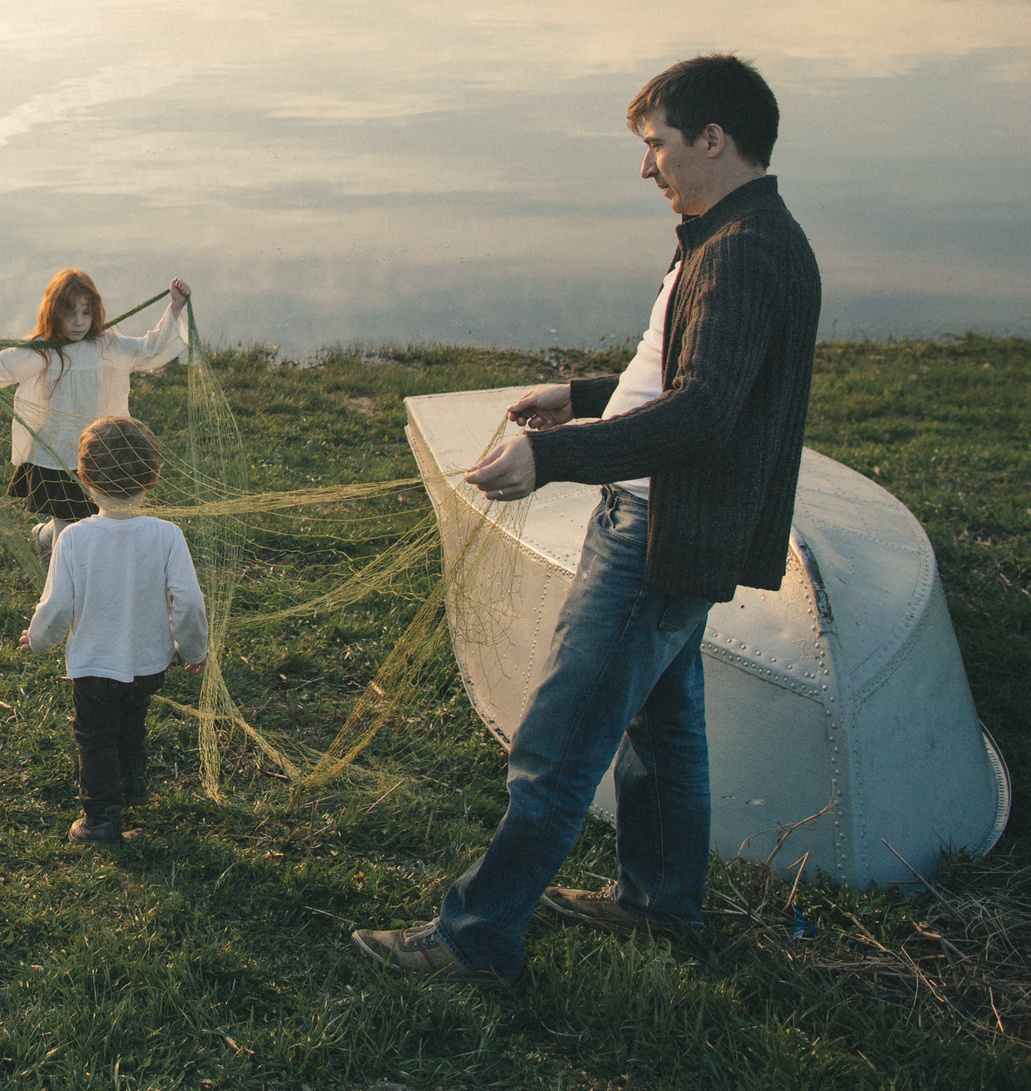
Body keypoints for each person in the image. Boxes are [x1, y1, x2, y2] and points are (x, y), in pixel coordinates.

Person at [352, 53, 821, 989]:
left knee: (559, 745)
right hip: (675, 529)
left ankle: (476, 937)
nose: (647, 167)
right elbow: (686, 375)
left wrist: (552, 457)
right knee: (662, 727)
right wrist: (584, 395)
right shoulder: (734, 232)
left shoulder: (745, 251)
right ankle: (660, 900)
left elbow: (704, 413)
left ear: (714, 139)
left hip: (657, 532)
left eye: (657, 145)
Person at [19, 416, 210, 848]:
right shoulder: (168, 535)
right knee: (132, 716)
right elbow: (190, 602)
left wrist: (39, 640)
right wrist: (192, 649)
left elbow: (57, 605)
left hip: (93, 667)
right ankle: (131, 780)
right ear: (154, 477)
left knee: (95, 737)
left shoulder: (73, 539)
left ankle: (101, 820)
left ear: (84, 478)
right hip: (149, 663)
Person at [0, 268, 190, 546]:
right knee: (66, 520)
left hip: (103, 452)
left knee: (97, 516)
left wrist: (175, 306)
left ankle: (43, 535)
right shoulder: (40, 350)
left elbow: (149, 349)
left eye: (85, 313)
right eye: (69, 314)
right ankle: (58, 566)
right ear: (53, 313)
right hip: (56, 455)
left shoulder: (108, 345)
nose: (78, 323)